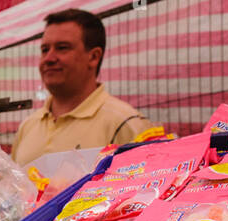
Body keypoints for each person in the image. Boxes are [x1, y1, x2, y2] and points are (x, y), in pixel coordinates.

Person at [11, 9, 150, 166]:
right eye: (45, 50)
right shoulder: (28, 126)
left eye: (62, 48)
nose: (49, 58)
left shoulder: (125, 124)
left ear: (94, 57)